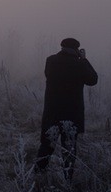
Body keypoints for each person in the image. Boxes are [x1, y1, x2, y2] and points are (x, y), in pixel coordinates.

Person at [35, 37, 98, 179]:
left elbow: (48, 74)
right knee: (69, 149)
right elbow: (93, 79)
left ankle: (38, 176)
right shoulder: (79, 64)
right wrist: (84, 60)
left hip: (52, 113)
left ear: (62, 47)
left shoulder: (50, 61)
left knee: (46, 146)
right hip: (72, 115)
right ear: (76, 50)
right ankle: (67, 180)